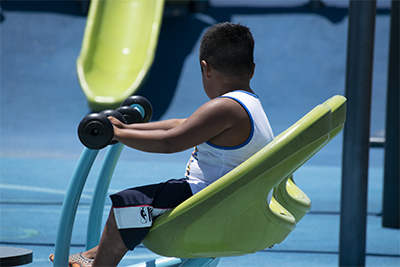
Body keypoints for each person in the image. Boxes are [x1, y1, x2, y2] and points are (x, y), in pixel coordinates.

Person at [50, 22, 274, 267]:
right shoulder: (249, 105)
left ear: (205, 69)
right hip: (225, 199)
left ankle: (99, 264)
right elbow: (180, 124)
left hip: (206, 200)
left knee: (128, 206)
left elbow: (170, 141)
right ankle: (93, 255)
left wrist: (114, 132)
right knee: (142, 207)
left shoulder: (224, 107)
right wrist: (125, 129)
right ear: (252, 70)